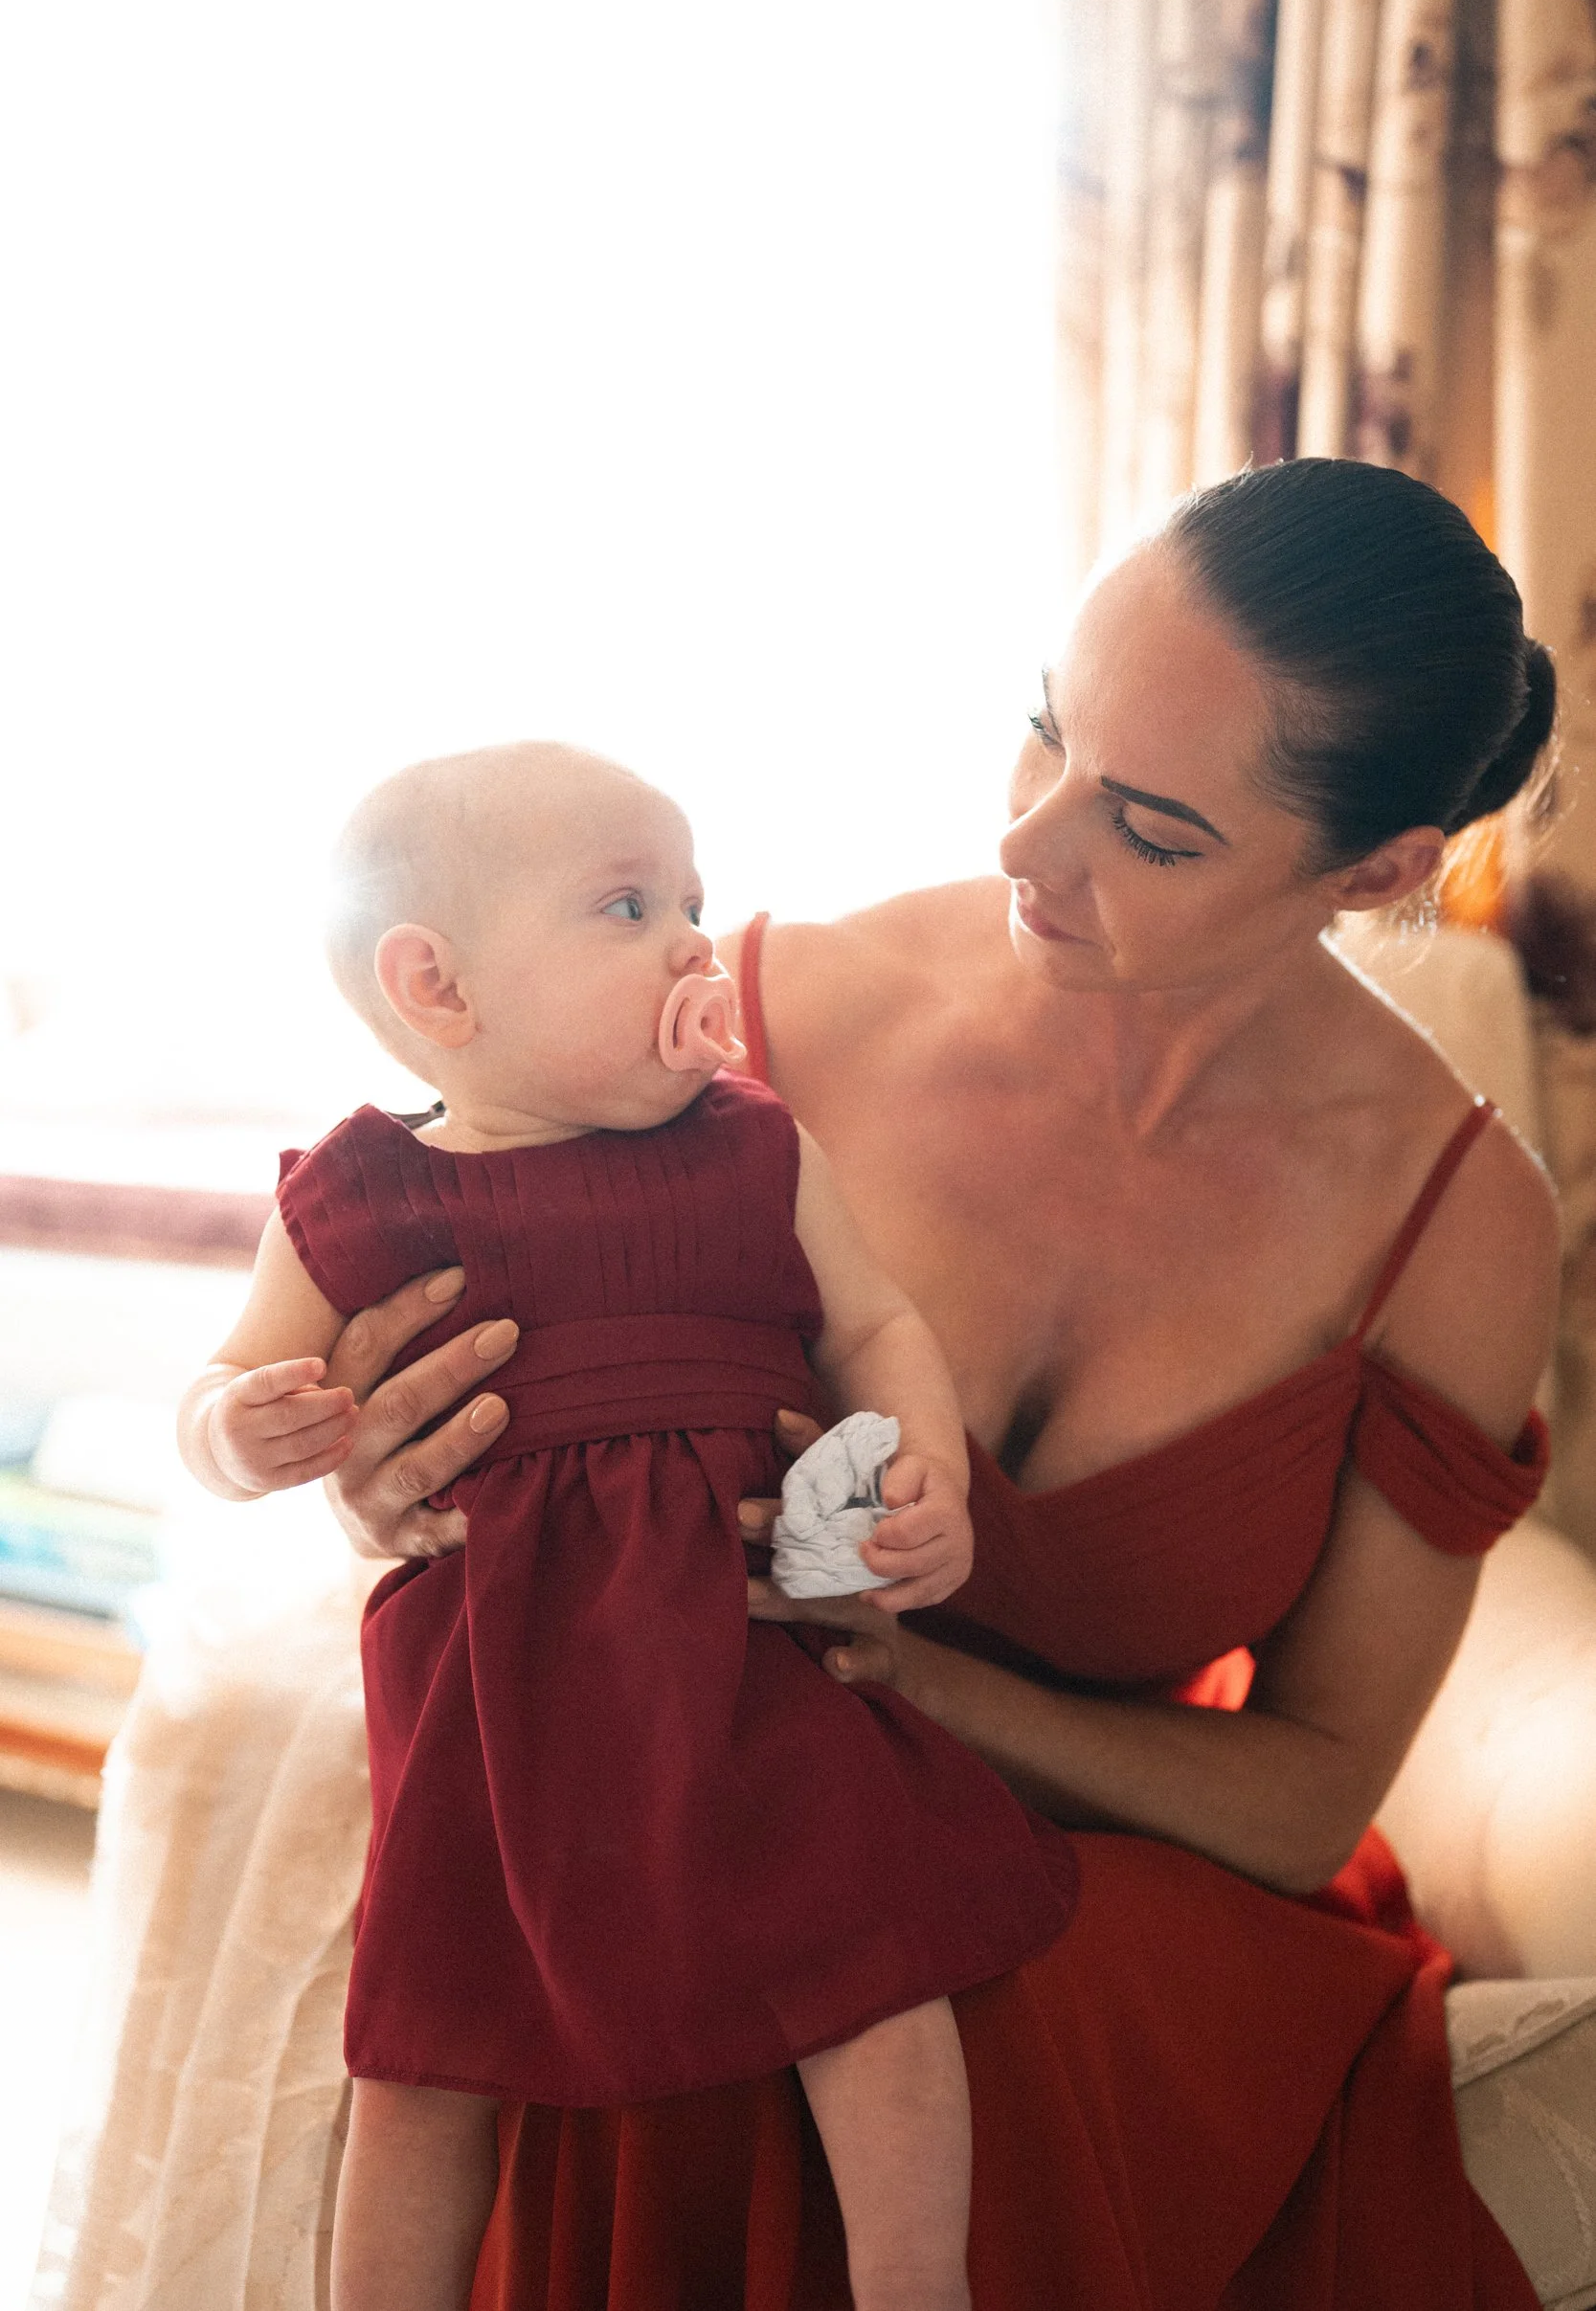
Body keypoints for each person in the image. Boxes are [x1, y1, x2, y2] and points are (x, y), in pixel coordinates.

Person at [306, 460, 1561, 2309]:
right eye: (1041, 735)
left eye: (1146, 825)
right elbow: (444, 1355)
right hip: (699, 1793)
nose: (1025, 849)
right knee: (699, 1955)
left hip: (1105, 1873)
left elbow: (1301, 1797)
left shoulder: (1455, 1222)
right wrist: (382, 1478)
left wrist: (911, 1681)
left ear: (1376, 873)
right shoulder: (739, 1021)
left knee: (919, 1993)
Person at [174, 745, 1076, 2311]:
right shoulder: (362, 1192)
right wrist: (235, 1432)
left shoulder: (751, 1145)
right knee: (426, 2045)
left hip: (749, 1640)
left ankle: (914, 2283)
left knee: (872, 1972)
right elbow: (236, 1377)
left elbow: (871, 1330)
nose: (689, 944)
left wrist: (919, 1477)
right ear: (437, 990)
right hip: (490, 1679)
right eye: (625, 906)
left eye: (693, 901)